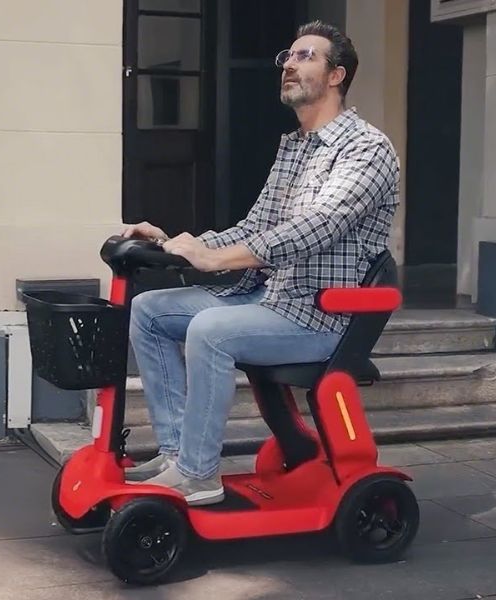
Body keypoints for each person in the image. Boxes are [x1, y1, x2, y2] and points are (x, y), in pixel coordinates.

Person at [120, 20, 399, 505]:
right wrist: (176, 243)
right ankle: (175, 452)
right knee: (150, 311)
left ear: (337, 75)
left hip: (319, 314)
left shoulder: (366, 149)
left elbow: (316, 226)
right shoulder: (293, 147)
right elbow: (257, 225)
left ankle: (198, 474)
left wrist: (214, 259)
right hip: (267, 296)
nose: (289, 64)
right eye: (288, 57)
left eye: (306, 56)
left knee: (211, 329)